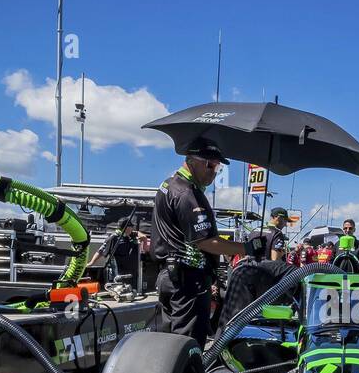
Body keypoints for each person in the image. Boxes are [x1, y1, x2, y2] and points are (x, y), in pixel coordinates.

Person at [150, 141, 247, 346]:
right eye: (211, 166)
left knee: (165, 344)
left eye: (218, 168)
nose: (214, 172)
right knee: (186, 346)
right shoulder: (187, 194)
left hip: (169, 277)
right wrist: (246, 248)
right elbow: (206, 242)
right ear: (193, 162)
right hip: (188, 281)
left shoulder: (168, 184)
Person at [87, 218, 149, 286]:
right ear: (126, 228)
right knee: (118, 287)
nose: (132, 228)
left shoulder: (130, 234)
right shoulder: (113, 237)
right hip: (118, 270)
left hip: (130, 270)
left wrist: (144, 241)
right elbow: (101, 250)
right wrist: (91, 262)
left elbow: (140, 234)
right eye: (131, 227)